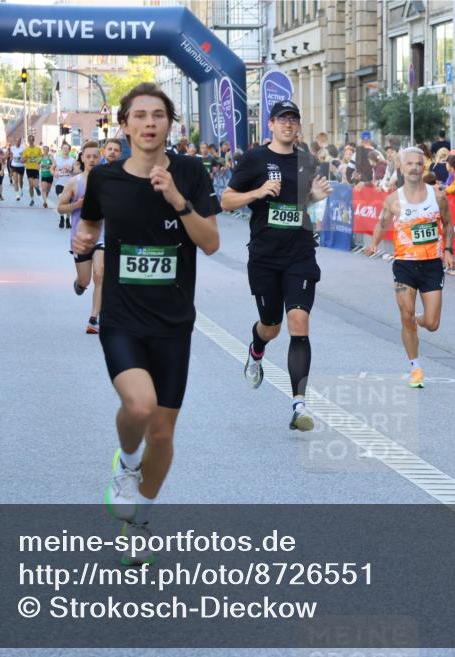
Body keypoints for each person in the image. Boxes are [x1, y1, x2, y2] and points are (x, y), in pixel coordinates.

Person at [72, 83, 220, 564]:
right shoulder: (106, 178)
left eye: (158, 115)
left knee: (163, 432)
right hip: (122, 316)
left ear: (170, 125)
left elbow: (211, 242)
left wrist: (178, 199)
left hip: (174, 321)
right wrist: (84, 246)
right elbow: (90, 225)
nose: (149, 123)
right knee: (139, 407)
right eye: (140, 115)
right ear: (125, 124)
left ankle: (140, 521)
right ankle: (127, 465)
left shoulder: (193, 172)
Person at [221, 100, 332, 432]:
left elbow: (303, 206)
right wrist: (257, 191)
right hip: (265, 256)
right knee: (271, 326)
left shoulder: (308, 161)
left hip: (299, 252)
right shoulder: (255, 159)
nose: (288, 124)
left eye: (294, 119)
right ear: (270, 124)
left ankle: (299, 405)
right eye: (282, 119)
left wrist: (313, 197)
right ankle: (257, 349)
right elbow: (225, 200)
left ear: (298, 126)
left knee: (299, 321)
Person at [364, 147, 454, 388]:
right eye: (410, 164)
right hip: (404, 265)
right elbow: (382, 223)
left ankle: (416, 319)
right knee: (405, 316)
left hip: (432, 266)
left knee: (433, 324)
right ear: (401, 168)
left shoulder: (437, 197)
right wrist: (373, 243)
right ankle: (415, 368)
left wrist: (448, 250)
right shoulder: (393, 200)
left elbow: (448, 223)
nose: (414, 168)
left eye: (418, 163)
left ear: (423, 166)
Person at [59, 140, 105, 333]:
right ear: (83, 158)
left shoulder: (108, 182)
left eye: (96, 156)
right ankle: (80, 284)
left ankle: (94, 319)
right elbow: (60, 207)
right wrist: (76, 205)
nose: (92, 159)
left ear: (100, 158)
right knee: (86, 280)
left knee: (100, 274)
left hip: (103, 235)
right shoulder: (74, 183)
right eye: (89, 156)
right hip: (80, 238)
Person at [53, 142, 77, 227]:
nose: (65, 150)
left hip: (69, 184)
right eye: (64, 148)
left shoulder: (73, 160)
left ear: (69, 150)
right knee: (61, 200)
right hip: (59, 183)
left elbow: (76, 172)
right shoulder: (57, 159)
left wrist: (71, 169)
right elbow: (52, 168)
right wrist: (54, 173)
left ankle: (67, 219)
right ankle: (61, 218)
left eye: (67, 148)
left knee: (68, 203)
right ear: (61, 149)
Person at [21, 135, 42, 207]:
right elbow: (22, 160)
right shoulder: (26, 150)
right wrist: (25, 159)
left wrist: (39, 161)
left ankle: (37, 189)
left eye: (32, 140)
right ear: (28, 141)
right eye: (29, 140)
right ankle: (32, 199)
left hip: (36, 169)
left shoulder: (38, 149)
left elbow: (41, 158)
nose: (31, 142)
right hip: (29, 168)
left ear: (33, 140)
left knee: (35, 185)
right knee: (31, 185)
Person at [38, 145, 54, 210]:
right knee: (44, 189)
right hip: (43, 175)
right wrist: (38, 166)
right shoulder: (41, 157)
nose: (45, 150)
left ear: (48, 150)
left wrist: (51, 167)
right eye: (44, 149)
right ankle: (45, 202)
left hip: (50, 175)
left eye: (46, 149)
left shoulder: (50, 157)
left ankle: (45, 198)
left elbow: (53, 163)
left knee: (48, 190)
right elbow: (37, 163)